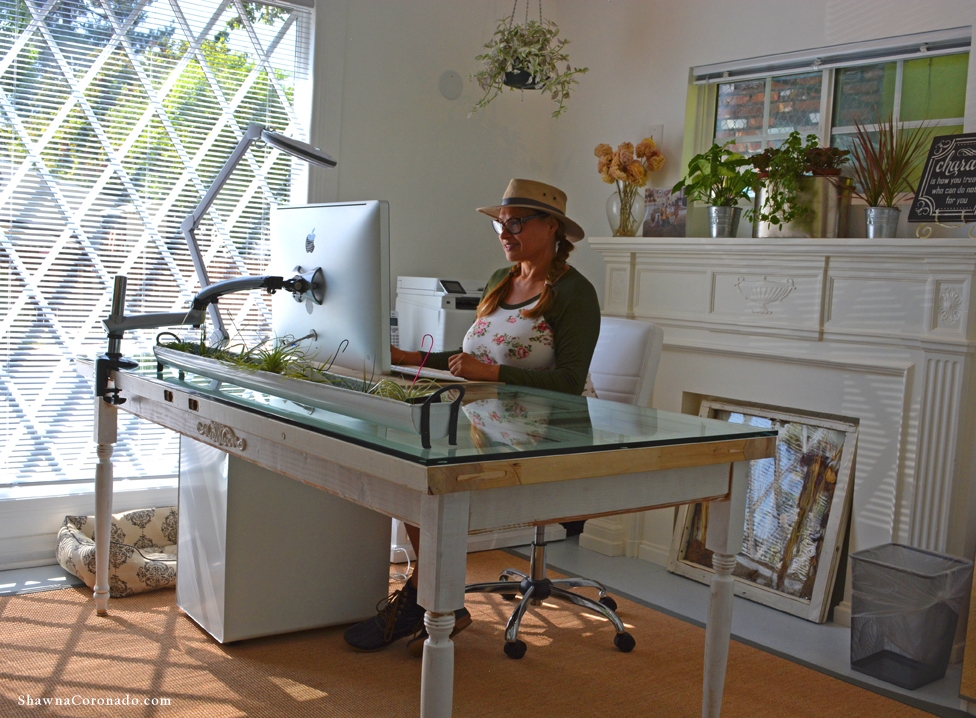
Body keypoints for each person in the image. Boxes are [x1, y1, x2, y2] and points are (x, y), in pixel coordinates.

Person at [343, 178, 601, 654]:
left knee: (426, 478)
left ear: (553, 228)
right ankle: (433, 599)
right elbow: (468, 358)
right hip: (485, 425)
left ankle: (428, 600)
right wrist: (406, 356)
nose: (506, 232)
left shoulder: (574, 293)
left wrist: (495, 373)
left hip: (543, 439)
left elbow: (568, 383)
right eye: (501, 224)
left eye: (517, 222)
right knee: (405, 468)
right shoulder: (501, 281)